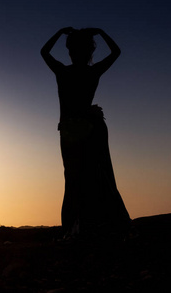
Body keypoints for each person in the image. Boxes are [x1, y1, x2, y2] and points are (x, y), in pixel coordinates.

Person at [41, 27, 131, 238]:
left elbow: (44, 52)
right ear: (90, 52)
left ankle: (76, 229)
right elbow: (116, 52)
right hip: (90, 127)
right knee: (99, 175)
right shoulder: (92, 71)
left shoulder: (63, 72)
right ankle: (101, 226)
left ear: (71, 52)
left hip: (72, 130)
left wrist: (58, 32)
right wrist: (100, 32)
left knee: (74, 179)